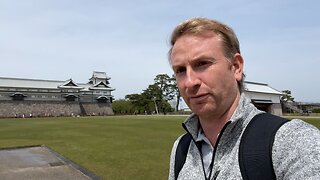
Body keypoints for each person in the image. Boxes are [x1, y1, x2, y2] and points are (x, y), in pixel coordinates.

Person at [168, 17, 320, 180]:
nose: (190, 82)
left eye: (202, 63)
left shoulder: (293, 141)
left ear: (236, 67)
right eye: (180, 70)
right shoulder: (181, 149)